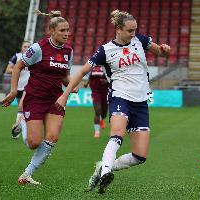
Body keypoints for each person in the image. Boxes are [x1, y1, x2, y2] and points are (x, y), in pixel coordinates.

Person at [55, 10, 170, 193]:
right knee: (117, 134)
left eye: (135, 30)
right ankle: (107, 171)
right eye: (130, 31)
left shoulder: (140, 40)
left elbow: (160, 53)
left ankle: (103, 168)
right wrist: (64, 95)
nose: (133, 34)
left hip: (140, 102)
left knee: (140, 156)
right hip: (119, 97)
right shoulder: (105, 51)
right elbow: (82, 72)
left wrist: (164, 50)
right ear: (118, 29)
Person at [2, 9, 73, 185]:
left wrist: (72, 85)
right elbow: (18, 67)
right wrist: (12, 92)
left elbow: (64, 75)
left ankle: (27, 174)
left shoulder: (68, 51)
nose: (66, 34)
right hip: (35, 98)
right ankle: (23, 122)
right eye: (62, 30)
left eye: (67, 30)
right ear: (52, 31)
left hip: (55, 100)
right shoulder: (38, 48)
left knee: (53, 137)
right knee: (34, 142)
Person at [5, 41, 31, 139]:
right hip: (18, 87)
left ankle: (18, 130)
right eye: (25, 46)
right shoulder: (17, 57)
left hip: (29, 87)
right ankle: (20, 128)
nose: (27, 48)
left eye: (29, 46)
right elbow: (8, 69)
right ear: (21, 48)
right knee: (22, 109)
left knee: (21, 107)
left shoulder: (34, 58)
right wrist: (17, 69)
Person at [84, 65, 109, 138]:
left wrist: (106, 81)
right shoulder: (92, 67)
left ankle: (102, 119)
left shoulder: (106, 67)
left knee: (104, 113)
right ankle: (97, 132)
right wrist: (87, 83)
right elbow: (90, 76)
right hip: (95, 92)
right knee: (97, 110)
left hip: (105, 92)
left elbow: (112, 78)